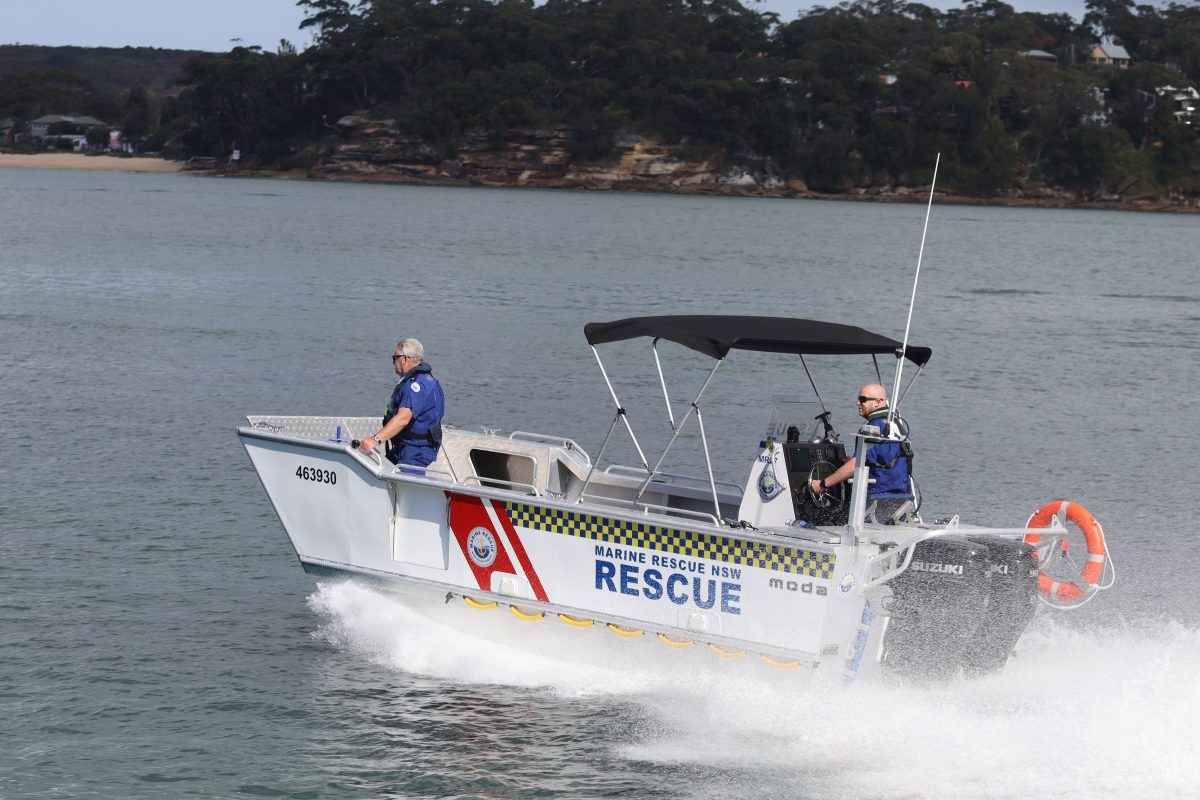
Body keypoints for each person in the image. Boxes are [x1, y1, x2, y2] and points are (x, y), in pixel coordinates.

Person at [809, 383, 911, 499]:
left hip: (876, 497)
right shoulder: (896, 425)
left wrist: (823, 484)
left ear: (877, 402)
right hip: (901, 496)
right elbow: (884, 458)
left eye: (862, 399)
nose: (857, 403)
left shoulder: (872, 428)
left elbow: (855, 466)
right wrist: (846, 460)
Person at [358, 338, 445, 468]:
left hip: (414, 452)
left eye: (395, 358)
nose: (393, 362)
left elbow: (403, 418)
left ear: (405, 359)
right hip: (407, 448)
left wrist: (375, 440)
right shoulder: (427, 380)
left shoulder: (415, 385)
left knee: (406, 484)